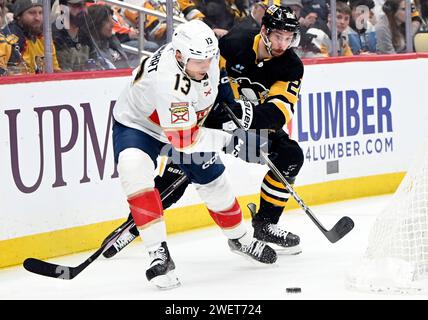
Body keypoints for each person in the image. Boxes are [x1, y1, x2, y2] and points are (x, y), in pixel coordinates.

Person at [101, 5, 303, 260]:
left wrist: (239, 119)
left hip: (224, 117)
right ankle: (133, 226)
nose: (283, 44)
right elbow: (187, 130)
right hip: (188, 119)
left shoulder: (287, 65)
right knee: (177, 175)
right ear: (264, 31)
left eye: (288, 37)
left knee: (279, 159)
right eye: (277, 36)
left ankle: (257, 229)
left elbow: (275, 111)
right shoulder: (232, 44)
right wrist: (231, 138)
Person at [0, 0, 61, 75]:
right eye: (32, 13)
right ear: (18, 16)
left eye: (41, 13)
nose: (37, 18)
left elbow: (56, 72)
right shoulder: (7, 41)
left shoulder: (45, 41)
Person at [52, 0, 97, 71]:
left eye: (84, 5)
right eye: (77, 5)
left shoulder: (85, 34)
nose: (83, 10)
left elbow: (96, 63)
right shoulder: (53, 35)